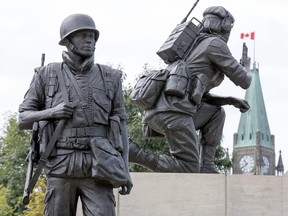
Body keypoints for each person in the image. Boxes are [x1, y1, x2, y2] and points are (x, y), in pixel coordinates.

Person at [19, 13, 132, 215]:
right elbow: (23, 118)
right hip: (60, 163)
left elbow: (121, 124)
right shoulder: (46, 74)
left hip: (99, 166)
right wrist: (52, 112)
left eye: (92, 36)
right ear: (68, 42)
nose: (89, 40)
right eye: (82, 35)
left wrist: (125, 170)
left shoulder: (111, 77)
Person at [129, 6, 252, 173]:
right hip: (174, 112)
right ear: (224, 27)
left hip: (162, 111)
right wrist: (245, 68)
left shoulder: (191, 45)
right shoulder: (215, 44)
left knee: (216, 113)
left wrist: (229, 100)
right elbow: (244, 81)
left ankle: (207, 165)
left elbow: (196, 92)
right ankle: (137, 154)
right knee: (188, 167)